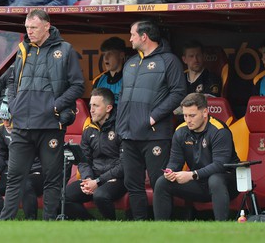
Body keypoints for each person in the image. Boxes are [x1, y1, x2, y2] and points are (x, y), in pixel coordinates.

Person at [0, 9, 85, 220]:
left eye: (34, 27)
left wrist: (55, 106)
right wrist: (14, 105)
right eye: (27, 28)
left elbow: (78, 86)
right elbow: (11, 81)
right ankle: (5, 222)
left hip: (50, 125)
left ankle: (49, 223)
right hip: (22, 125)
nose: (29, 32)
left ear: (47, 25)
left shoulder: (65, 50)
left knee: (52, 178)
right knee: (14, 177)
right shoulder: (22, 49)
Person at [116, 20, 186, 220]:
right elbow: (122, 95)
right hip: (129, 135)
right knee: (133, 184)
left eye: (132, 34)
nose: (130, 39)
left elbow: (178, 92)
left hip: (155, 136)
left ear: (144, 36)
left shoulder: (169, 60)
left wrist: (154, 117)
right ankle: (140, 225)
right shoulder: (130, 62)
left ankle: (162, 225)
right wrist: (120, 124)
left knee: (159, 183)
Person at [153, 93, 239, 221]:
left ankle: (222, 227)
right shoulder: (181, 131)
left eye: (192, 116)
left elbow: (220, 165)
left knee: (215, 179)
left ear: (205, 112)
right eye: (185, 115)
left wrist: (192, 174)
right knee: (162, 182)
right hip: (199, 183)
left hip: (227, 184)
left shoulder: (219, 131)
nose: (188, 120)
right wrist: (170, 171)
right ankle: (160, 230)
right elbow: (175, 161)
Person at [65, 88, 125, 220]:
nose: (91, 110)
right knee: (64, 197)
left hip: (117, 179)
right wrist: (88, 179)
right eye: (90, 105)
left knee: (100, 195)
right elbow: (83, 159)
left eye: (96, 106)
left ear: (108, 108)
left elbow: (123, 165)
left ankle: (112, 226)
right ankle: (93, 224)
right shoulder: (89, 129)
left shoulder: (121, 128)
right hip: (94, 178)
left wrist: (98, 182)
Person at [0, 97, 43, 220]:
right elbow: (0, 153)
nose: (6, 123)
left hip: (35, 171)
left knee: (25, 184)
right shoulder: (1, 128)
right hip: (13, 171)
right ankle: (5, 223)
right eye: (3, 119)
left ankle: (31, 223)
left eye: (8, 119)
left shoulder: (33, 128)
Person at [92, 37, 126, 105]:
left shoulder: (130, 79)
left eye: (110, 54)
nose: (106, 58)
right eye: (104, 54)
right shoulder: (98, 81)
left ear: (121, 55)